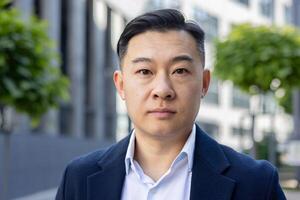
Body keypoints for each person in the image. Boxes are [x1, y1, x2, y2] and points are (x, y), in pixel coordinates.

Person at [56, 9, 286, 200]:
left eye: (180, 71)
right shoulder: (78, 178)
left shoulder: (257, 183)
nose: (162, 90)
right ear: (121, 85)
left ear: (204, 83)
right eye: (145, 71)